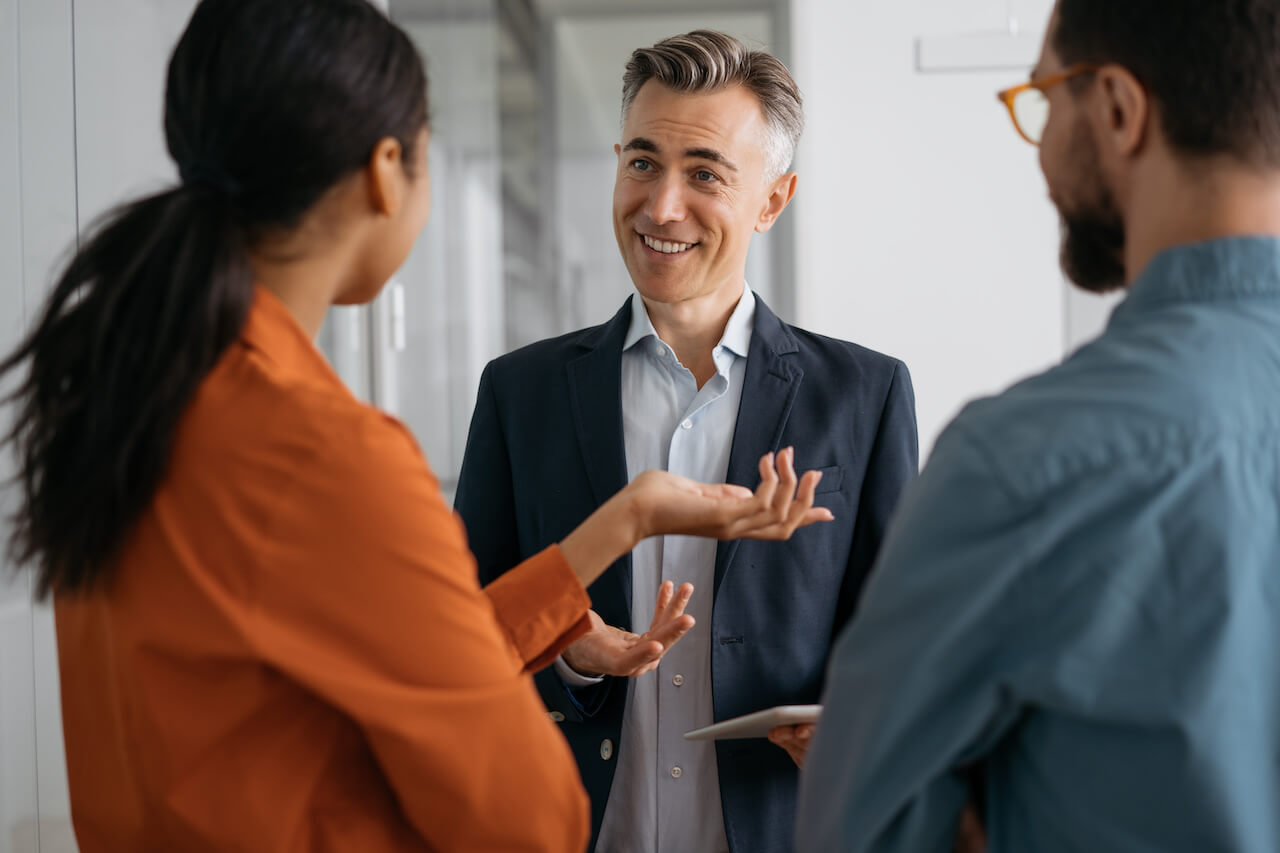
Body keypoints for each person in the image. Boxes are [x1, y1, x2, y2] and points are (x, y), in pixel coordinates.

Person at [0, 2, 829, 850]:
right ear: (385, 167)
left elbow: (413, 645)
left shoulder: (138, 391)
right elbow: (528, 813)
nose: (663, 205)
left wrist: (627, 517)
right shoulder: (326, 449)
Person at [798, 1, 1280, 850]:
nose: (1044, 147)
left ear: (1121, 111)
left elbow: (857, 831)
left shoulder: (1023, 461)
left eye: (1047, 99)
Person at [454, 30, 918, 853]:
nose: (661, 206)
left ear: (773, 200)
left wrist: (860, 730)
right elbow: (460, 642)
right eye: (641, 162)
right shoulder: (518, 392)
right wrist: (573, 655)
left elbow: (899, 643)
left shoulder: (865, 395)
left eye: (704, 173)